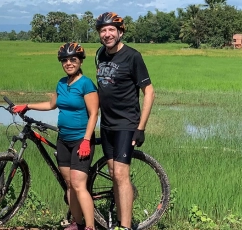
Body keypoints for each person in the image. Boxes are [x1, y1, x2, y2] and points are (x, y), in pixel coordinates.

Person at [13, 42, 99, 230]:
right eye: (65, 60)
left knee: (78, 184)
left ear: (80, 61)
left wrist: (86, 140)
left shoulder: (86, 84)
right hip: (63, 140)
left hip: (81, 141)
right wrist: (26, 105)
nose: (69, 63)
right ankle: (78, 223)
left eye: (73, 59)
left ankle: (91, 227)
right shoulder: (61, 83)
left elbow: (94, 114)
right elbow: (51, 105)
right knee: (69, 184)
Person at [94, 12, 155, 230]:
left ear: (120, 32)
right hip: (107, 124)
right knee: (113, 175)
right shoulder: (100, 54)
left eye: (112, 29)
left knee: (121, 175)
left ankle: (126, 227)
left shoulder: (132, 56)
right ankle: (120, 223)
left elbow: (149, 91)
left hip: (126, 124)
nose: (107, 34)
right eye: (103, 30)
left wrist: (141, 127)